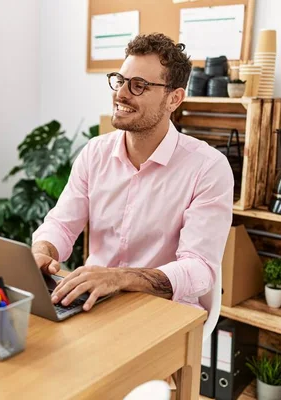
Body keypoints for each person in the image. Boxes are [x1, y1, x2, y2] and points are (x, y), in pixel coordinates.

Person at [31, 33, 234, 312]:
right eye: (120, 80)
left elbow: (199, 270)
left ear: (174, 99)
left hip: (164, 310)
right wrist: (44, 250)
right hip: (95, 302)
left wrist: (119, 278)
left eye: (139, 85)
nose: (121, 94)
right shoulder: (95, 153)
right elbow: (62, 225)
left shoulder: (208, 167)